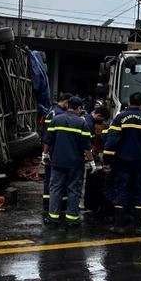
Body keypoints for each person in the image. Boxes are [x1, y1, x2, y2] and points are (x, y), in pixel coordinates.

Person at [103, 92, 141, 235]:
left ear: (129, 103)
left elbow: (111, 142)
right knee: (140, 191)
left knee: (121, 190)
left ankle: (119, 226)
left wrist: (107, 161)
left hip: (122, 161)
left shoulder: (120, 118)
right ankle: (138, 227)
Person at [42, 96, 94, 227]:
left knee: (55, 188)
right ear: (79, 108)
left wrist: (45, 154)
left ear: (68, 105)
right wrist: (91, 161)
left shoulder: (56, 119)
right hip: (75, 164)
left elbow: (48, 140)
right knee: (74, 190)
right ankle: (72, 218)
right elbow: (86, 146)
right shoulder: (82, 123)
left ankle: (53, 217)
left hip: (58, 161)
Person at [41, 93, 73, 215]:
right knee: (59, 180)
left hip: (49, 149)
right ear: (65, 102)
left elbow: (46, 134)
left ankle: (47, 204)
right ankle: (59, 206)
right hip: (56, 151)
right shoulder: (60, 115)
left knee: (49, 179)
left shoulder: (52, 112)